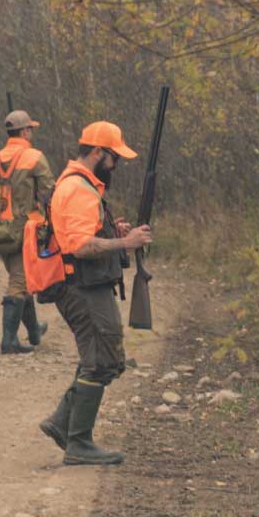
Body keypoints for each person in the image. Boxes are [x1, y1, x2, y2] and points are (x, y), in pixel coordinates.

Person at [37, 121, 152, 466]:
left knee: (101, 357)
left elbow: (81, 232)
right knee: (102, 360)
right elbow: (79, 245)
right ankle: (79, 443)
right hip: (81, 286)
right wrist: (124, 242)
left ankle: (62, 423)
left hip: (86, 285)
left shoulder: (82, 184)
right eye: (114, 158)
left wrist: (112, 230)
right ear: (98, 152)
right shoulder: (78, 188)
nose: (116, 165)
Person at [0, 109, 57, 355]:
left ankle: (34, 331)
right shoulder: (34, 157)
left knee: (22, 279)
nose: (32, 132)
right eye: (30, 128)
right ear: (25, 131)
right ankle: (8, 341)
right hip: (26, 231)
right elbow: (50, 192)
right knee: (19, 283)